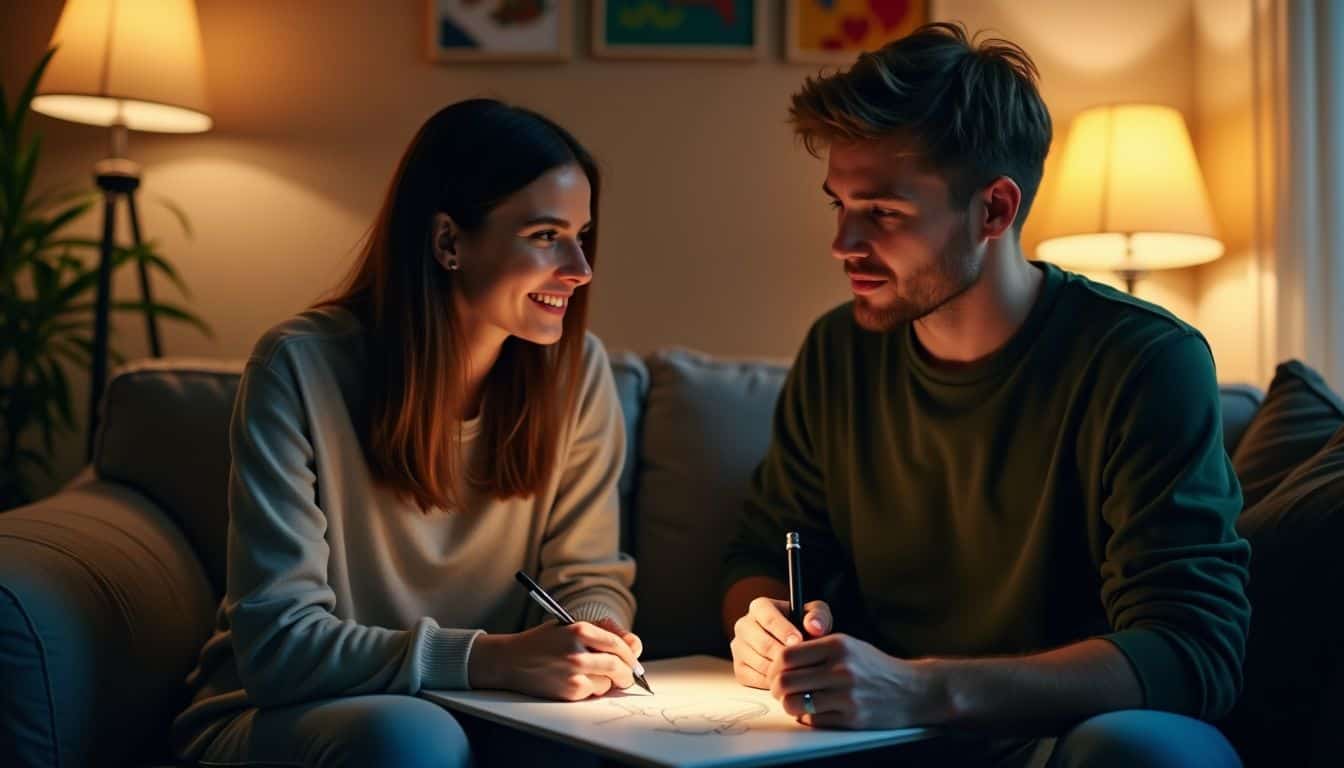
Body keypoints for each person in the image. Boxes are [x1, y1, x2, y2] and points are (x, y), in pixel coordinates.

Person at [722, 23, 1250, 768]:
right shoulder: (838, 351)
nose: (843, 242)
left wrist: (921, 689)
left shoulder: (1145, 361)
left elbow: (1190, 651)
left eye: (884, 213)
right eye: (837, 204)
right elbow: (764, 547)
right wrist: (760, 618)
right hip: (874, 734)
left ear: (995, 210)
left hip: (1058, 738)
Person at [171, 99, 642, 767]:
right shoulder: (299, 369)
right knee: (409, 739)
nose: (580, 268)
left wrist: (596, 632)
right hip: (284, 715)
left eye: (581, 235)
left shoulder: (578, 373)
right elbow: (280, 646)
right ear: (449, 241)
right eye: (545, 235)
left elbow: (587, 576)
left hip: (486, 708)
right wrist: (491, 658)